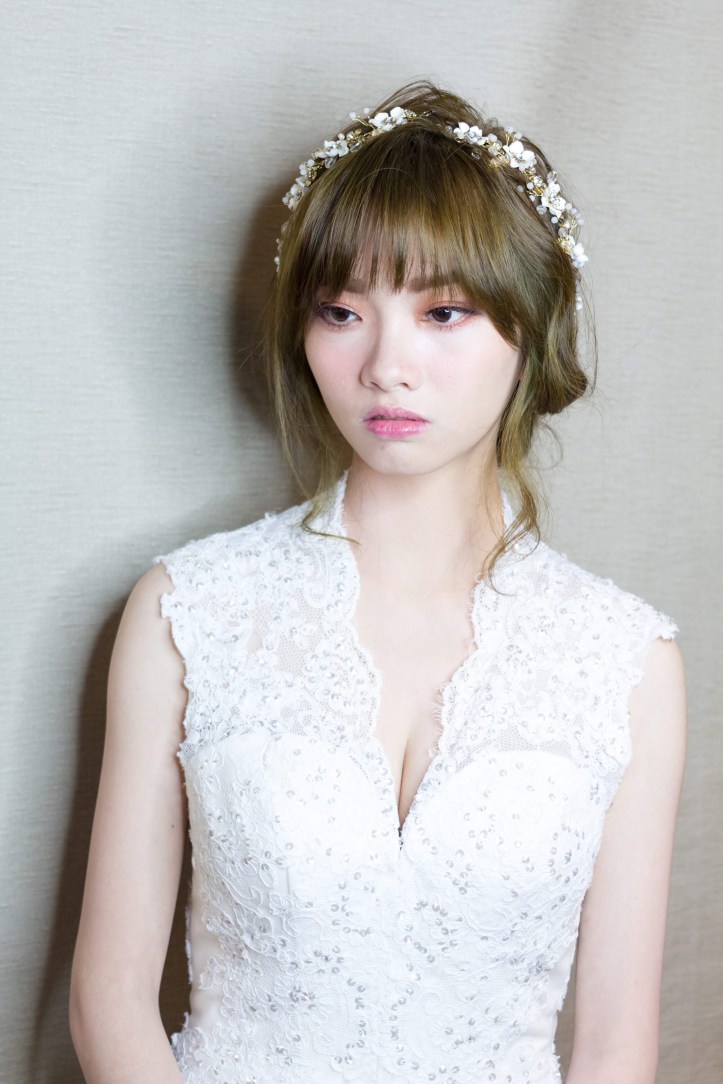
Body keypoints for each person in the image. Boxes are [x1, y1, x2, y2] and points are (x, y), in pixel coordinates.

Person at [69, 81, 687, 1084]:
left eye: (443, 311)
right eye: (342, 311)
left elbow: (617, 1049)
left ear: (530, 326)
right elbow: (108, 1001)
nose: (386, 365)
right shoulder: (187, 612)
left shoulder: (626, 661)